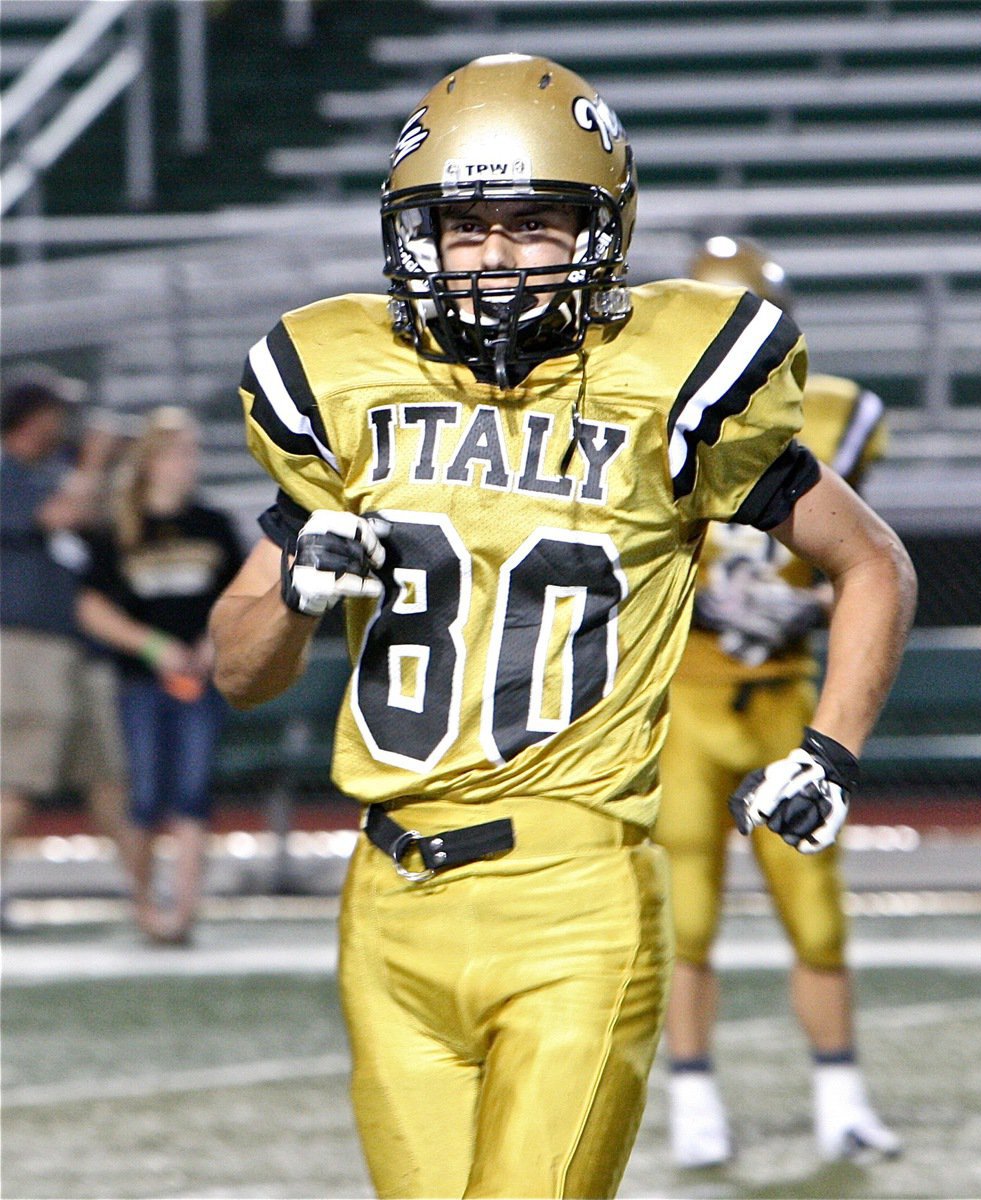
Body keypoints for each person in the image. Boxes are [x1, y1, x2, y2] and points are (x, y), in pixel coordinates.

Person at [209, 54, 916, 1200]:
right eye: (462, 226)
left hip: (574, 891)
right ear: (411, 236)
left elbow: (868, 558)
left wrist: (829, 749)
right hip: (384, 902)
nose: (492, 258)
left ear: (602, 232)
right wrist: (295, 595)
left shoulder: (668, 378)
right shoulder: (344, 386)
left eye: (533, 224)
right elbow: (236, 667)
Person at [654, 235, 904, 1168]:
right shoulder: (643, 409)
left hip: (784, 699)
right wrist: (698, 600)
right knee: (687, 913)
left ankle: (841, 1097)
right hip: (687, 693)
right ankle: (692, 1102)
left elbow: (863, 563)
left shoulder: (838, 414)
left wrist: (801, 603)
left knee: (816, 908)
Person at [76, 407, 244, 944]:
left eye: (192, 453)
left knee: (192, 792)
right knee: (145, 795)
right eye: (176, 453)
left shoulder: (212, 524)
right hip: (141, 681)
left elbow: (241, 595)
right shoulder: (118, 528)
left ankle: (186, 911)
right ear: (150, 460)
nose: (186, 464)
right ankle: (146, 907)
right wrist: (153, 647)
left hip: (199, 678)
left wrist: (207, 646)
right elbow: (92, 607)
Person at [0, 367, 141, 925]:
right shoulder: (7, 473)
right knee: (18, 776)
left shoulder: (55, 468)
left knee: (108, 781)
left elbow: (104, 520)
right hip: (25, 647)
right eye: (54, 412)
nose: (64, 422)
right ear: (30, 418)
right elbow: (65, 514)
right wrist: (94, 462)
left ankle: (148, 894)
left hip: (80, 649)